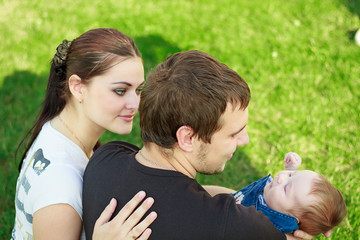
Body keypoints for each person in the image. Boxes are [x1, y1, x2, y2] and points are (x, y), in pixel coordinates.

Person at [83, 50, 318, 240]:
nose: (244, 140)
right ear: (187, 138)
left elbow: (184, 194)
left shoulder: (106, 157)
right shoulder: (228, 225)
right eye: (234, 133)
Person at [12, 28, 157, 240]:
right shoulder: (61, 192)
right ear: (78, 87)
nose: (135, 104)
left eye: (138, 90)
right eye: (120, 91)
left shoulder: (57, 130)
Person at [232, 152, 347, 235]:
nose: (281, 177)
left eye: (286, 188)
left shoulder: (267, 228)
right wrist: (291, 168)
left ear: (289, 218)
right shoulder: (277, 200)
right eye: (292, 175)